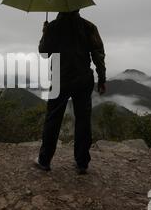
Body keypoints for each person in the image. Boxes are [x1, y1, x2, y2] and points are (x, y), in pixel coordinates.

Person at [35, 10, 106, 174]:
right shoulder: (89, 27)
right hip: (83, 78)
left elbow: (44, 53)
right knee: (83, 119)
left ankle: (44, 160)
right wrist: (102, 78)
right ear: (79, 8)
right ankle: (82, 163)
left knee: (53, 118)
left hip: (60, 77)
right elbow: (98, 54)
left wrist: (45, 33)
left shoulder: (53, 27)